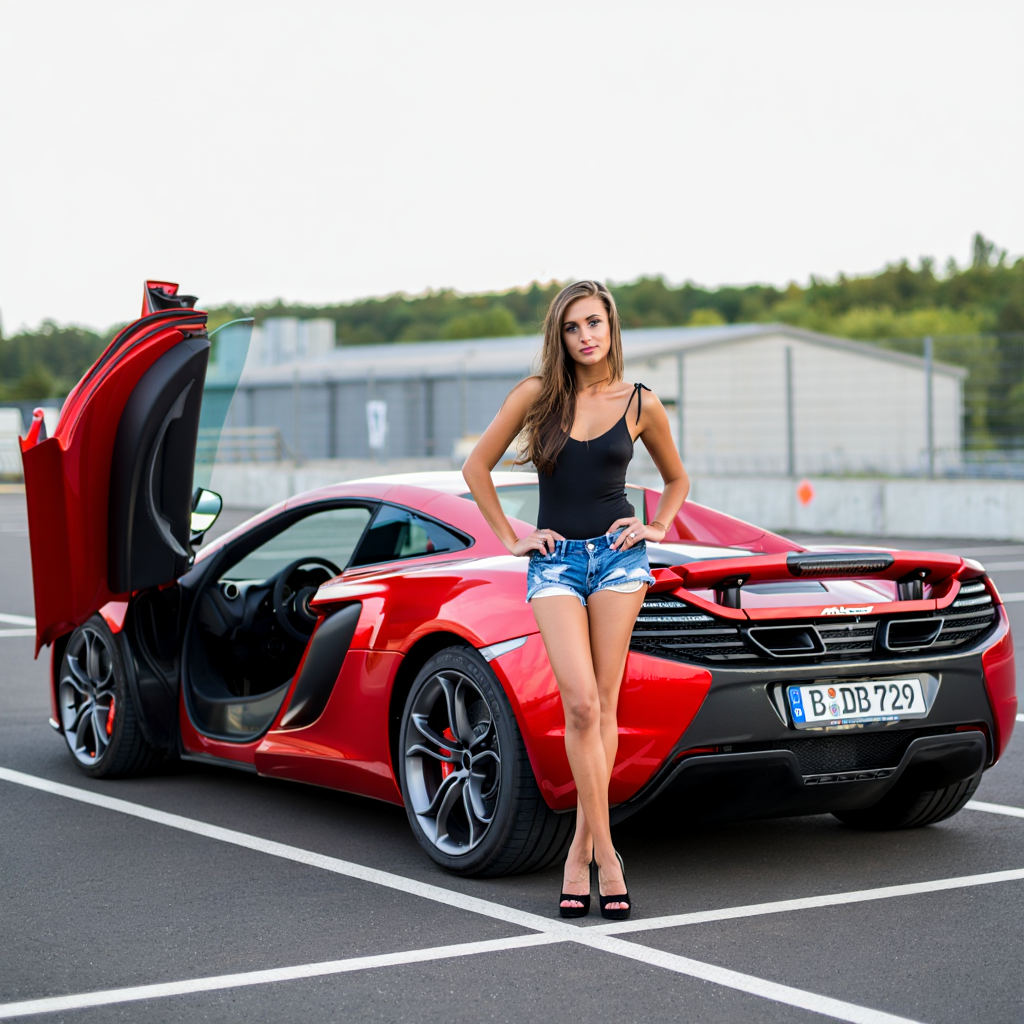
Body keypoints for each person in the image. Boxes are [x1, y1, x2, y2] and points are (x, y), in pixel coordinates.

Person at [462, 280, 689, 919]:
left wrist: (657, 525)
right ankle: (607, 854)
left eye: (595, 323)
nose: (586, 336)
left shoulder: (641, 402)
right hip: (555, 565)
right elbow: (476, 467)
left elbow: (677, 479)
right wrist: (511, 537)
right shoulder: (538, 397)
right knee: (582, 704)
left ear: (612, 328)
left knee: (606, 703)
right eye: (572, 327)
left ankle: (580, 851)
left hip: (621, 560)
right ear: (558, 336)